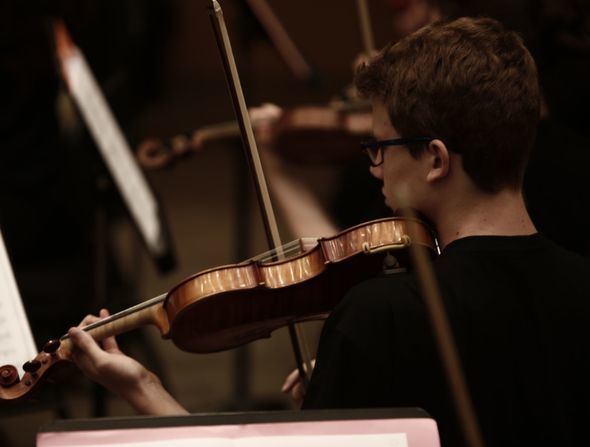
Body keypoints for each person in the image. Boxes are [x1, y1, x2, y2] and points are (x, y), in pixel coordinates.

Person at [69, 17, 590, 445]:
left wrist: (143, 388)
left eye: (379, 147)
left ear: (434, 160)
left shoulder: (381, 317)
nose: (373, 167)